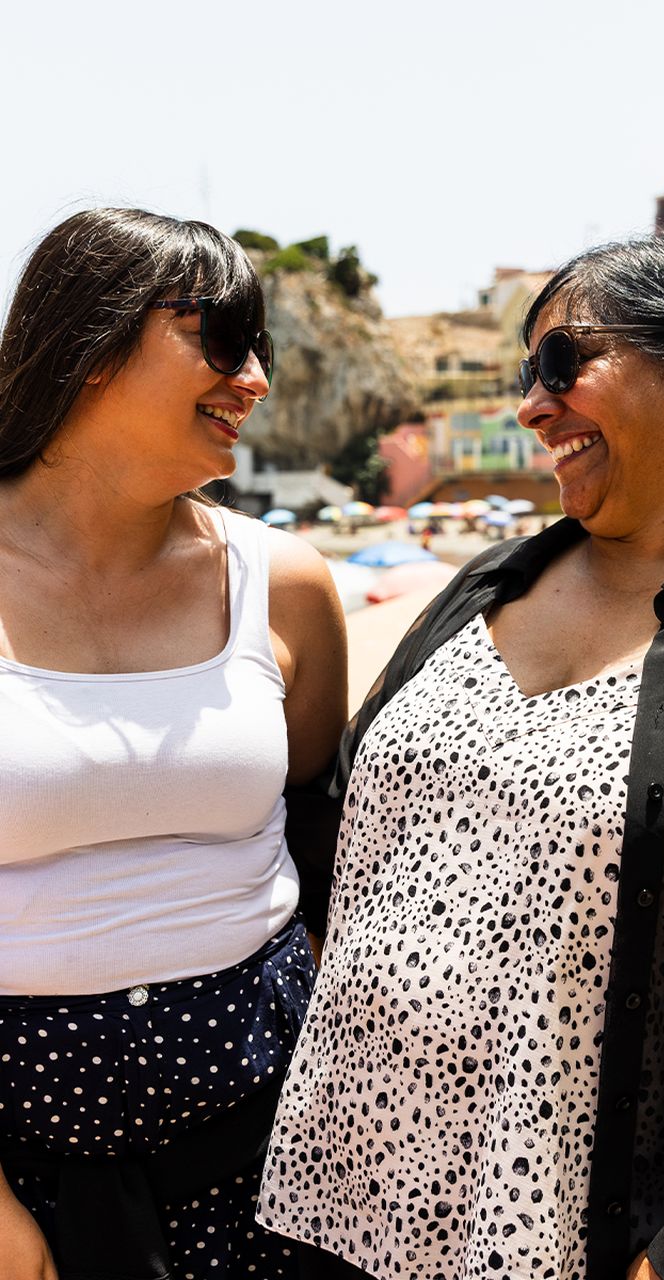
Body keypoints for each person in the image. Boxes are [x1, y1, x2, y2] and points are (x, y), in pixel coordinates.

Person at [257, 234, 664, 1279]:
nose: (530, 408)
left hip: (564, 1242)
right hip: (330, 1205)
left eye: (561, 364)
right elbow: (338, 816)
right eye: (522, 376)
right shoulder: (483, 586)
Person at [0, 208, 347, 1280]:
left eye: (261, 351)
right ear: (91, 341)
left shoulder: (285, 584)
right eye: (220, 339)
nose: (251, 379)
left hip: (272, 1154)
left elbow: (321, 839)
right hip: (23, 1179)